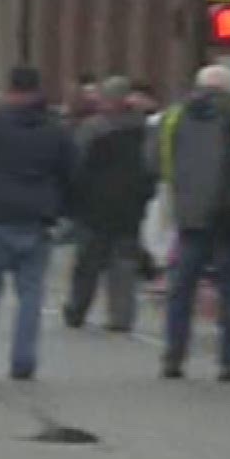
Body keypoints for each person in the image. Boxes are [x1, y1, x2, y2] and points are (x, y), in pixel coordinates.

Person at [0, 67, 78, 381]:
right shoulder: (55, 130)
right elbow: (72, 175)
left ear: (10, 90)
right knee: (31, 294)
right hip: (36, 219)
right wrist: (59, 210)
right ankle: (23, 361)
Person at [152, 64, 230, 381]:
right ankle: (228, 362)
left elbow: (157, 159)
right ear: (228, 88)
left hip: (190, 214)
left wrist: (181, 191)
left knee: (181, 288)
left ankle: (174, 357)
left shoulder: (176, 115)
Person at [62, 76, 152, 333]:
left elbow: (76, 164)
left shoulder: (93, 128)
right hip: (130, 206)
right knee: (123, 263)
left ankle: (77, 310)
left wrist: (73, 198)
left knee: (88, 263)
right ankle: (121, 317)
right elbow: (150, 165)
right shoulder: (142, 127)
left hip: (95, 205)